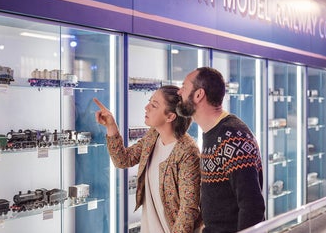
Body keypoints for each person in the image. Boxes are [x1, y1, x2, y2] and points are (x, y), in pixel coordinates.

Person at [94, 85, 202, 233]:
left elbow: (188, 209)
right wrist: (111, 126)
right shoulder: (153, 135)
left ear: (170, 116)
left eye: (154, 105)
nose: (146, 107)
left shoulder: (187, 152)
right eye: (149, 102)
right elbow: (123, 160)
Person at [176, 67, 265, 233]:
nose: (179, 92)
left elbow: (252, 206)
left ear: (198, 95)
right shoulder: (214, 132)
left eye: (184, 87)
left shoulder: (232, 138)